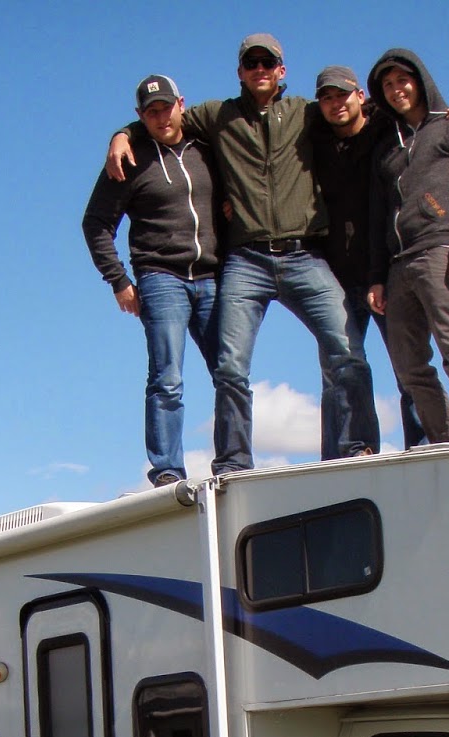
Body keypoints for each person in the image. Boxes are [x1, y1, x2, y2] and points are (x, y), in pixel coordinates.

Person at [109, 35, 378, 473]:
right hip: (246, 261)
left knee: (347, 350)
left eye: (267, 63)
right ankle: (233, 462)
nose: (260, 70)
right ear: (240, 72)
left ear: (281, 70)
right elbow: (164, 119)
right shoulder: (218, 115)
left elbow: (365, 112)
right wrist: (122, 134)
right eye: (251, 63)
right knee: (230, 367)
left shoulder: (307, 113)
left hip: (304, 256)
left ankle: (356, 447)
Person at [312, 67, 449, 453]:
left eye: (343, 95)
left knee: (423, 360)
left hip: (404, 260)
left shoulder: (387, 128)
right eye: (327, 98)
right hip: (343, 271)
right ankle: (352, 452)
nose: (336, 104)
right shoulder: (316, 135)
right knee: (347, 367)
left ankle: (430, 445)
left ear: (360, 96)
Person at [82, 74, 222, 487]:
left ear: (182, 104)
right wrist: (118, 280)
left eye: (167, 108)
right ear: (140, 116)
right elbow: (95, 222)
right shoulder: (129, 158)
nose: (162, 118)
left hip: (213, 275)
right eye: (151, 112)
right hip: (161, 279)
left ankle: (234, 461)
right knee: (167, 377)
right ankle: (167, 470)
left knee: (230, 372)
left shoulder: (207, 146)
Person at [367, 49, 449, 447]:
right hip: (398, 264)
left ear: (420, 81)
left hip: (441, 251)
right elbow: (379, 213)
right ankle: (445, 441)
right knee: (409, 367)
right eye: (388, 85)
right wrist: (377, 277)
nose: (396, 90)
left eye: (402, 80)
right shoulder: (388, 146)